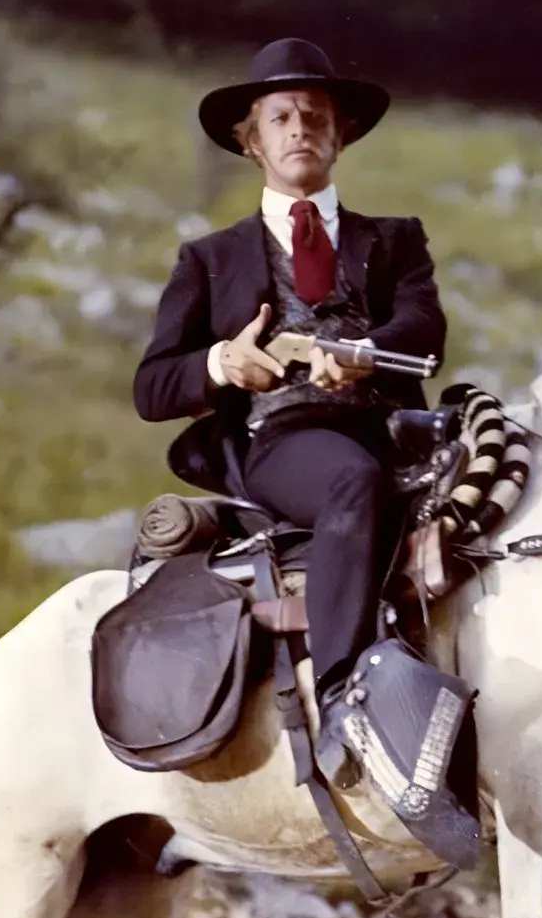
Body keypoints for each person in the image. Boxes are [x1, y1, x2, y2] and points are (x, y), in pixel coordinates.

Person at [132, 37, 447, 710]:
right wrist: (223, 363)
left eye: (316, 117)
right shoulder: (208, 258)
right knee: (350, 480)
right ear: (252, 143)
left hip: (397, 429)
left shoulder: (394, 240)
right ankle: (344, 692)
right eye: (280, 118)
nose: (300, 129)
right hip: (284, 442)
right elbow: (152, 387)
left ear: (343, 136)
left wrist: (362, 349)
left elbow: (423, 327)